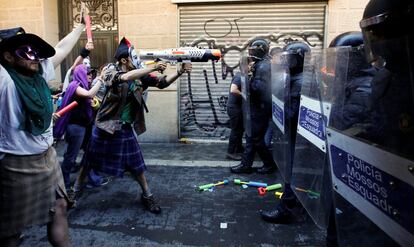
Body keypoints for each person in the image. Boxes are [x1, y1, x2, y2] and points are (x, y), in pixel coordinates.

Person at [71, 37, 192, 214]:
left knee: (137, 166)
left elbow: (162, 82)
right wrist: (151, 67)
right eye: (132, 57)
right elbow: (124, 77)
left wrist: (179, 71)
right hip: (105, 125)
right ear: (123, 60)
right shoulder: (110, 70)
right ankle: (74, 192)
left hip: (125, 127)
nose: (136, 61)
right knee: (89, 161)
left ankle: (147, 195)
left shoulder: (139, 74)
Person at [0, 23, 86, 247]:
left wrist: (79, 27)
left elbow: (61, 48)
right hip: (15, 164)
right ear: (8, 57)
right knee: (10, 229)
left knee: (59, 208)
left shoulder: (38, 74)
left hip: (48, 158)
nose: (35, 57)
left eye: (36, 52)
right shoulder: (4, 80)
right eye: (26, 52)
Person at [260, 41, 310, 223]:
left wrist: (278, 110)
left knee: (291, 173)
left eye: (289, 58)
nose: (285, 62)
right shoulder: (296, 78)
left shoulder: (302, 81)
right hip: (294, 136)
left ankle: (286, 210)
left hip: (296, 136)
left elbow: (292, 113)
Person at [53, 64, 105, 190]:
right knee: (71, 157)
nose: (90, 75)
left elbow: (91, 100)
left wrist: (94, 105)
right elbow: (89, 94)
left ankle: (92, 179)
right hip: (76, 127)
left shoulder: (83, 86)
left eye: (91, 73)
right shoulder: (75, 86)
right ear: (80, 74)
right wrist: (101, 79)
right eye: (87, 73)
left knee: (90, 153)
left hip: (86, 126)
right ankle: (63, 184)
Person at [230, 38, 277, 174]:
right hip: (258, 107)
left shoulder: (263, 66)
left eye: (252, 50)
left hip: (260, 108)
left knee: (255, 137)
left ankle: (268, 164)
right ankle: (246, 165)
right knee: (251, 136)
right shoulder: (261, 64)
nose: (250, 53)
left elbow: (258, 88)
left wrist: (247, 79)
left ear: (259, 50)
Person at [225, 72, 244, 161]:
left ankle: (239, 148)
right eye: (250, 65)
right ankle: (230, 152)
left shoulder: (240, 75)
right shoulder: (239, 77)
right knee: (236, 130)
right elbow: (233, 89)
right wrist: (244, 95)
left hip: (236, 107)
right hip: (234, 108)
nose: (252, 67)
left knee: (240, 129)